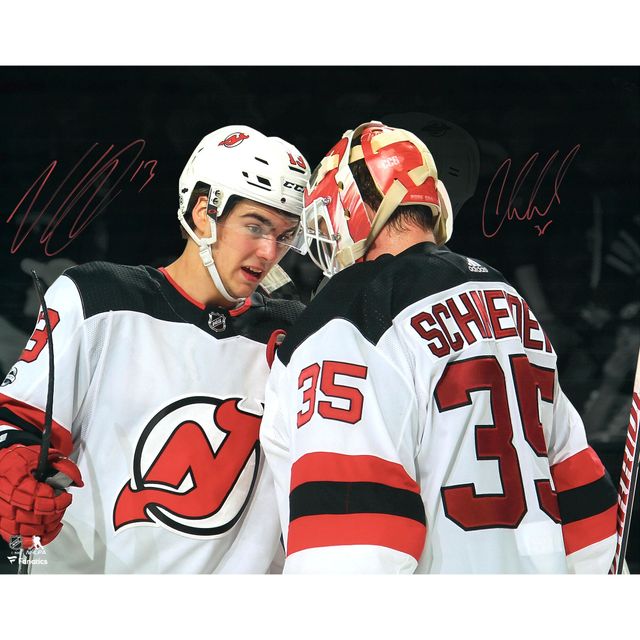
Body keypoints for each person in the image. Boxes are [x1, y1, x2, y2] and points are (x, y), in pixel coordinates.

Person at [260, 121, 618, 573]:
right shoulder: (508, 298)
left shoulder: (349, 315)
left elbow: (352, 537)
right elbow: (581, 494)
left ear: (352, 206)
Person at [0, 125, 310, 573]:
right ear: (205, 212)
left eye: (284, 235)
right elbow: (17, 422)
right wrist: (12, 468)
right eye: (255, 226)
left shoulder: (291, 334)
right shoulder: (95, 297)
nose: (268, 251)